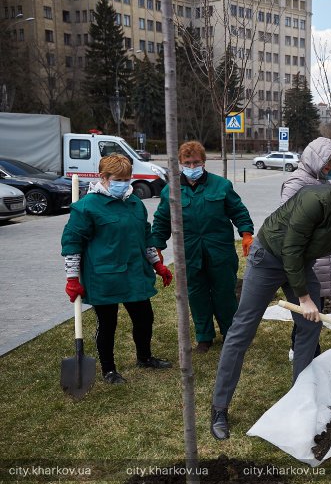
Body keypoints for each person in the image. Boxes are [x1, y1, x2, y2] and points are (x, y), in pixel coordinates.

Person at [211, 169, 331, 440]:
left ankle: (298, 402)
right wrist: (303, 298)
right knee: (242, 330)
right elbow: (291, 248)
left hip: (301, 263)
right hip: (270, 257)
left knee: (311, 328)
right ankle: (219, 408)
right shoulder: (316, 200)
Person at [61, 154, 173, 384]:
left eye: (127, 178)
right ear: (103, 177)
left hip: (135, 275)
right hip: (104, 276)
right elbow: (72, 244)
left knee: (144, 318)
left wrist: (158, 264)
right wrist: (72, 278)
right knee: (108, 324)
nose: (124, 183)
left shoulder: (134, 203)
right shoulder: (87, 207)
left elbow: (146, 237)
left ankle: (144, 357)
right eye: (118, 178)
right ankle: (109, 370)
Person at [151, 141, 254, 353]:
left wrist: (246, 233)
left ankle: (230, 334)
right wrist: (157, 247)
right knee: (196, 294)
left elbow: (238, 211)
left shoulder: (221, 185)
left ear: (204, 162)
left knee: (224, 292)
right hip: (188, 253)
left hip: (220, 250)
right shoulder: (171, 191)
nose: (192, 166)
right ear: (179, 163)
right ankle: (204, 336)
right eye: (187, 162)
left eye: (196, 162)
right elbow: (162, 221)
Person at [280, 137, 331, 357]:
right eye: (326, 162)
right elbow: (289, 225)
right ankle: (303, 351)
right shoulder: (296, 184)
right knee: (307, 312)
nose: (328, 167)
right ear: (315, 158)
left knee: (317, 309)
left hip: (322, 258)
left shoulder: (325, 184)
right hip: (307, 259)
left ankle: (305, 348)